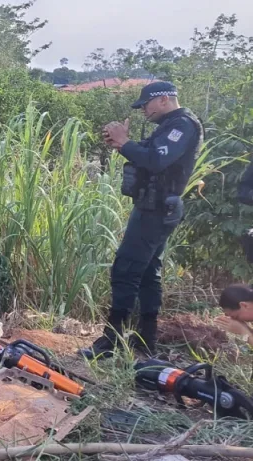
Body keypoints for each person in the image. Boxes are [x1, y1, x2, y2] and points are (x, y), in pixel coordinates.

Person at [80, 81, 205, 360]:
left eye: (145, 105)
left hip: (156, 211)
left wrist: (124, 141)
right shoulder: (170, 125)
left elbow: (156, 160)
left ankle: (111, 342)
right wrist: (122, 145)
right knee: (148, 273)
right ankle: (145, 341)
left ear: (163, 100)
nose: (143, 111)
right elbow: (147, 155)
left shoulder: (181, 125)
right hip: (155, 208)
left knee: (125, 270)